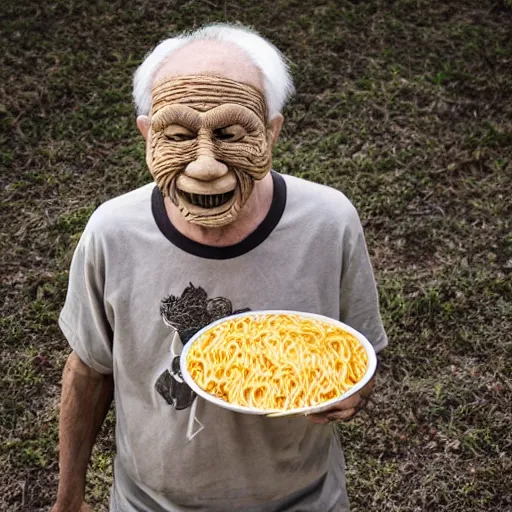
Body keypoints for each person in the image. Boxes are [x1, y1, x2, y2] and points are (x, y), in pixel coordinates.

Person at [52, 23, 388, 512]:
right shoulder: (112, 232)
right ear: (148, 135)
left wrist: (354, 392)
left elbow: (361, 354)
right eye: (180, 135)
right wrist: (68, 500)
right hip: (149, 503)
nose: (205, 166)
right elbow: (89, 370)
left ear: (271, 131)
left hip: (304, 500)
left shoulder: (329, 221)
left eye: (231, 133)